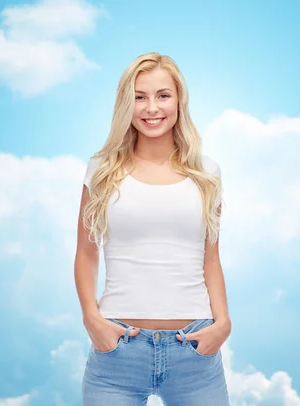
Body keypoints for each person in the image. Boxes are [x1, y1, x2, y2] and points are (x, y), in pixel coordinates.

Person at [74, 52, 231, 405]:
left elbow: (211, 259)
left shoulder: (207, 173)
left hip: (195, 351)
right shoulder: (100, 170)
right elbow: (86, 253)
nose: (151, 108)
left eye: (162, 95)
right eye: (139, 97)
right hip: (117, 353)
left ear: (179, 101)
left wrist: (223, 323)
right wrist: (92, 319)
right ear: (126, 105)